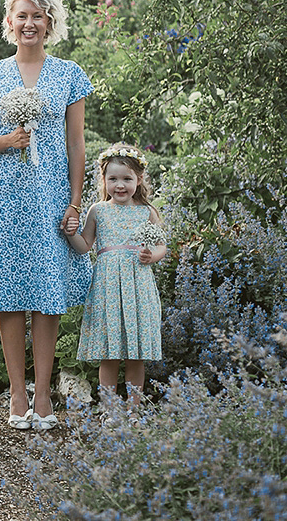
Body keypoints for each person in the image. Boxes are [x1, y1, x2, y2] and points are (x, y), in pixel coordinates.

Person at [0, 0, 93, 432]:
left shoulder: (70, 74)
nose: (29, 23)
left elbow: (76, 145)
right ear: (9, 22)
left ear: (50, 23)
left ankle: (44, 394)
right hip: (4, 196)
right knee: (10, 296)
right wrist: (9, 140)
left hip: (51, 195)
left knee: (48, 296)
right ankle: (17, 394)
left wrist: (76, 200)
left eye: (38, 16)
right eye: (21, 16)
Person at [67, 144, 165, 406]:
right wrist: (70, 234)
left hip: (138, 285)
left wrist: (152, 255)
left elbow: (162, 245)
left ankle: (134, 408)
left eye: (126, 179)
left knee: (136, 354)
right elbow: (85, 246)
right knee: (108, 352)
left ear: (139, 179)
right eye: (113, 179)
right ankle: (109, 409)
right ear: (104, 180)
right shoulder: (98, 210)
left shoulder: (147, 211)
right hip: (107, 287)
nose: (119, 185)